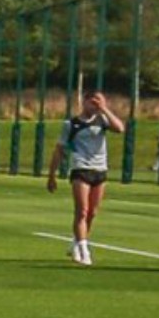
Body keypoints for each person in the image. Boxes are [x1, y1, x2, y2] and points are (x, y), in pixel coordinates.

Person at [49, 87, 125, 262]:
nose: (96, 105)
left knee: (93, 212)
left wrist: (104, 109)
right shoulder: (71, 124)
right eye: (93, 102)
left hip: (100, 170)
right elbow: (59, 150)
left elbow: (120, 129)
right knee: (82, 211)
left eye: (99, 101)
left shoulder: (102, 120)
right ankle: (84, 249)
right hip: (81, 169)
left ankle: (77, 241)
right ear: (85, 102)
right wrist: (52, 175)